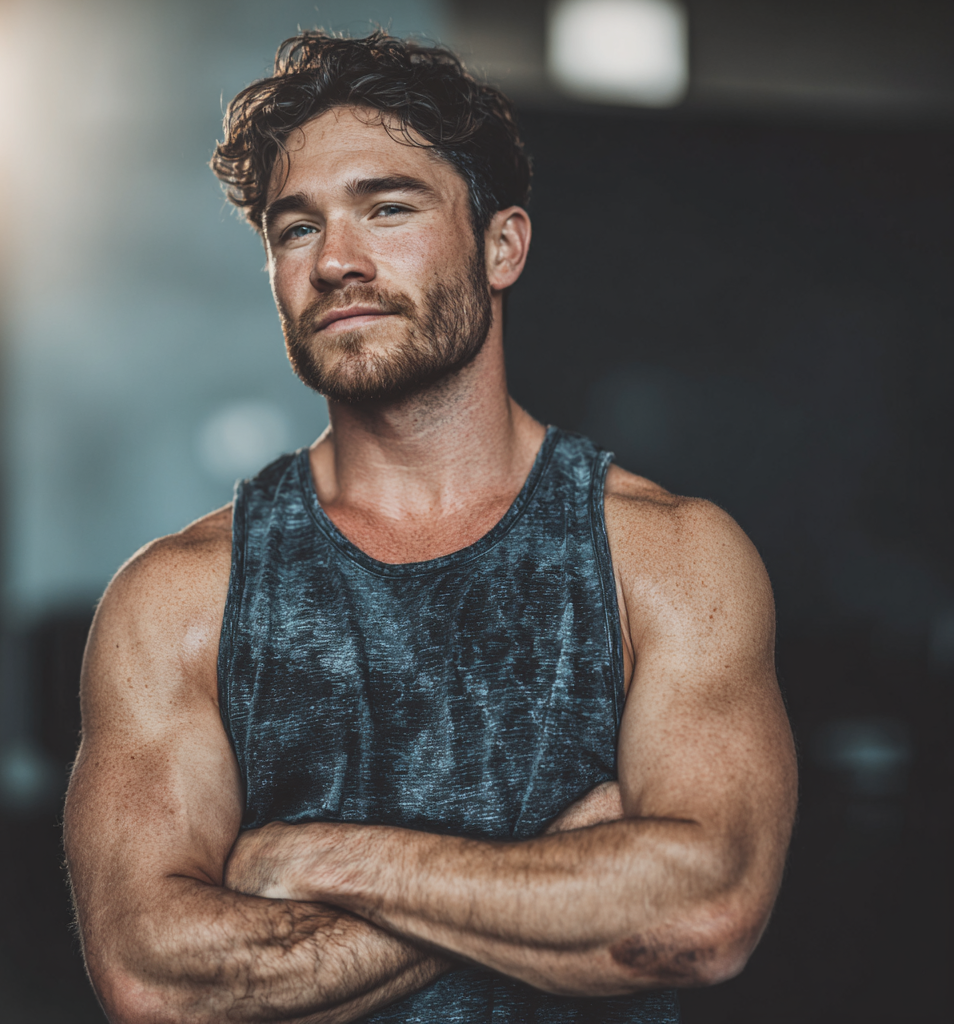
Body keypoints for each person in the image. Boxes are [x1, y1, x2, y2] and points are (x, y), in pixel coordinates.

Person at [64, 30, 797, 1024]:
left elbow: (700, 913)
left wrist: (313, 859)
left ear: (502, 245)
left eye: (388, 208)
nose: (335, 261)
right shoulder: (179, 598)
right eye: (294, 229)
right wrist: (557, 866)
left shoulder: (668, 558)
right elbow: (155, 978)